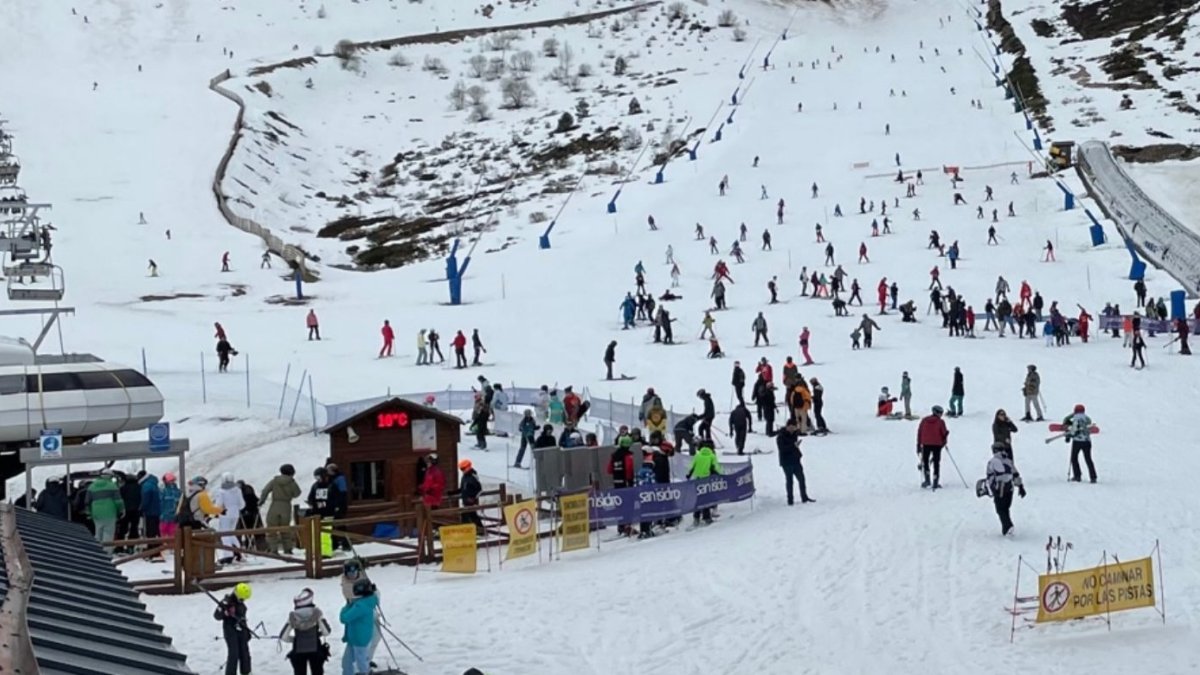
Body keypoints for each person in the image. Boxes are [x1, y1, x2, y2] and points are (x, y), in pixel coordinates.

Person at [279, 588, 331, 675]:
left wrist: (294, 639)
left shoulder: (293, 616)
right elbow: (327, 632)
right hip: (315, 649)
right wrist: (319, 634)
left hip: (298, 650)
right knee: (317, 671)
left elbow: (283, 636)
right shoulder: (317, 613)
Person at [984, 442, 1025, 536]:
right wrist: (1020, 486)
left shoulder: (993, 461)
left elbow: (991, 475)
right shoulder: (1008, 461)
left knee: (1000, 509)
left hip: (999, 489)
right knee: (1006, 508)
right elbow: (1015, 474)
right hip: (1009, 488)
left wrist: (990, 487)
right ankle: (1006, 528)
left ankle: (1007, 526)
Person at [340, 579, 379, 675]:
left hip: (359, 639)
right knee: (347, 662)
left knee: (361, 664)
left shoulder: (361, 606)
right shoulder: (365, 602)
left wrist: (347, 606)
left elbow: (344, 618)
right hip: (355, 638)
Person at [260, 464, 302, 555]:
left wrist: (261, 501)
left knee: (272, 528)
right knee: (285, 528)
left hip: (275, 505)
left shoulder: (275, 481)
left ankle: (273, 549)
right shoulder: (292, 482)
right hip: (286, 506)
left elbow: (265, 491)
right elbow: (297, 493)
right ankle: (288, 549)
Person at [214, 583, 253, 675]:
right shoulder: (226, 602)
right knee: (234, 654)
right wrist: (225, 614)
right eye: (242, 599)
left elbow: (242, 617)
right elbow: (216, 615)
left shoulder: (241, 605)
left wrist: (246, 631)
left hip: (241, 628)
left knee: (245, 652)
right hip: (230, 630)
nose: (243, 601)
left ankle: (246, 672)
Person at [85, 468, 124, 553]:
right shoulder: (112, 486)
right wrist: (121, 510)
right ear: (110, 476)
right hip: (109, 512)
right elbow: (118, 501)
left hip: (96, 513)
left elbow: (87, 501)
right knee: (108, 533)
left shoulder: (91, 486)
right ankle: (106, 553)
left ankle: (97, 551)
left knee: (98, 532)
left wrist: (89, 513)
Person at [776, 421, 815, 505]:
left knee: (801, 479)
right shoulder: (781, 436)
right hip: (786, 462)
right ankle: (790, 500)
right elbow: (782, 449)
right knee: (789, 481)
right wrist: (794, 446)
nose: (794, 429)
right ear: (788, 426)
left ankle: (804, 497)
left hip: (796, 460)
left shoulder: (794, 434)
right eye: (793, 427)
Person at [416, 454, 445, 562]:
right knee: (426, 516)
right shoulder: (429, 471)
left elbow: (439, 485)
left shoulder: (436, 472)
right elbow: (426, 483)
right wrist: (421, 488)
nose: (427, 463)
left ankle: (436, 532)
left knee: (433, 516)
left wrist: (430, 490)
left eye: (429, 461)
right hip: (428, 498)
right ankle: (430, 533)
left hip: (433, 498)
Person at [686, 440, 721, 525]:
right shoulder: (712, 456)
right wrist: (719, 475)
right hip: (707, 480)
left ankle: (696, 517)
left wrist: (689, 475)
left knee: (699, 498)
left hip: (697, 480)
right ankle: (707, 517)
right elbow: (716, 467)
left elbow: (691, 466)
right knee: (707, 499)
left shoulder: (697, 456)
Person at [215, 473, 245, 565]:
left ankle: (228, 555)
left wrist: (216, 511)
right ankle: (239, 552)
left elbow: (219, 505)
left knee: (225, 534)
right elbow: (242, 504)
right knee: (232, 533)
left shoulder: (221, 491)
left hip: (225, 514)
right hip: (235, 513)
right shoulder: (237, 490)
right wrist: (235, 508)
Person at [917, 406, 949, 489]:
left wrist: (918, 444)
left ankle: (927, 480)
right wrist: (945, 440)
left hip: (925, 444)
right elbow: (944, 433)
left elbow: (920, 432)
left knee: (925, 462)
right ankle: (935, 481)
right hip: (937, 445)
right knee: (936, 463)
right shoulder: (940, 422)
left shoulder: (924, 420)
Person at [1065, 404, 1097, 483]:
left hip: (1077, 442)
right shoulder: (1087, 418)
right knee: (1088, 459)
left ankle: (1077, 475)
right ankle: (1093, 477)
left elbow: (1074, 430)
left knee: (1074, 458)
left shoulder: (1075, 418)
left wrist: (1068, 436)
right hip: (1087, 441)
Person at [139, 472, 163, 558]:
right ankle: (156, 549)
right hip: (156, 511)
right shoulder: (153, 484)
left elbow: (146, 500)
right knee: (156, 531)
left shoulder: (146, 486)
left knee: (150, 532)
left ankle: (152, 550)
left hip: (150, 512)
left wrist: (141, 509)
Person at [459, 459, 483, 531]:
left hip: (471, 500)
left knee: (471, 515)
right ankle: (470, 531)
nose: (462, 471)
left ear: (468, 467)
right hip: (465, 500)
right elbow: (463, 489)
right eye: (461, 469)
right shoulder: (464, 477)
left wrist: (473, 498)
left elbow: (479, 489)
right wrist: (453, 492)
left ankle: (480, 530)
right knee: (467, 515)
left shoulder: (473, 476)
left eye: (463, 468)